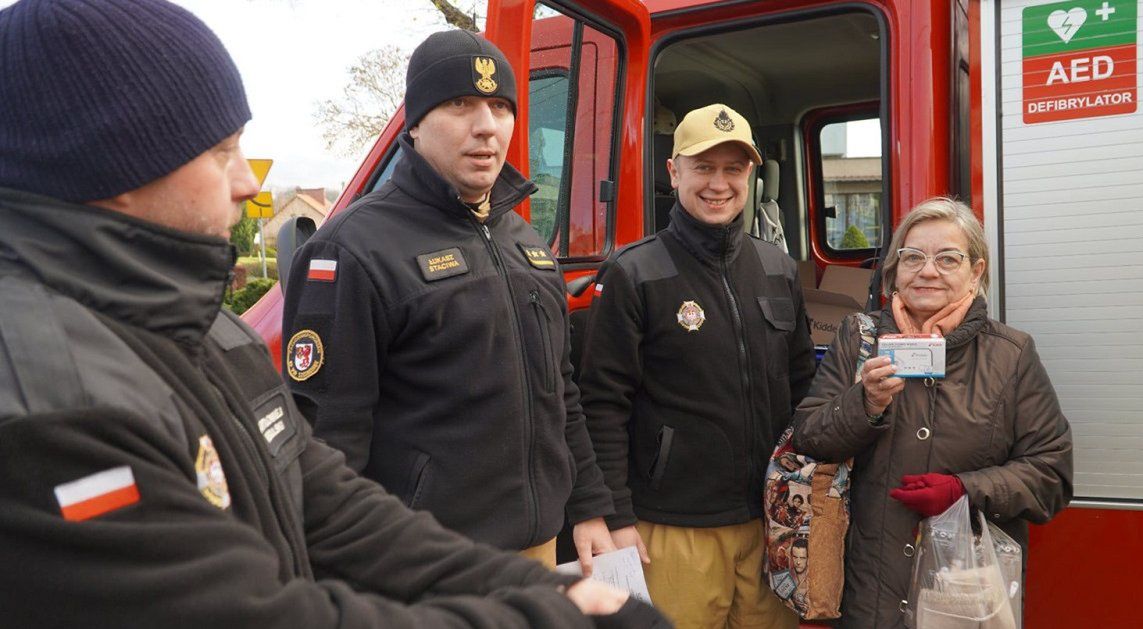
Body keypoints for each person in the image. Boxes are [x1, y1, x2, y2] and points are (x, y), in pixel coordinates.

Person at [0, 2, 670, 627]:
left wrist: (549, 590)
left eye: (500, 107)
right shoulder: (44, 395)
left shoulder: (210, 331)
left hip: (495, 552)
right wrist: (547, 616)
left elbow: (319, 494)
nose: (249, 183)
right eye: (222, 150)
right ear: (117, 162)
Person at [281, 29, 616, 573]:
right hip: (426, 565)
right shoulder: (352, 248)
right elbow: (326, 446)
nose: (486, 126)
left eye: (500, 107)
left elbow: (560, 392)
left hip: (538, 552)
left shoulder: (526, 242)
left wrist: (590, 505)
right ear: (415, 123)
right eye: (460, 104)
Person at [578, 104, 815, 628]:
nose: (718, 184)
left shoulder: (777, 268)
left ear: (750, 176)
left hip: (770, 523)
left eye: (733, 169)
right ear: (674, 171)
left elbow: (803, 387)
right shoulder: (634, 273)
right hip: (672, 529)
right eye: (703, 167)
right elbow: (601, 405)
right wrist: (614, 514)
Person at [790, 197, 1073, 629]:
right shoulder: (858, 337)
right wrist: (865, 404)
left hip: (964, 594)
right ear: (895, 269)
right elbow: (808, 437)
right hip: (870, 594)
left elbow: (1051, 475)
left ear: (975, 271)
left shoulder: (1011, 354)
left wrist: (964, 490)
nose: (927, 271)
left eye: (947, 258)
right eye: (913, 257)